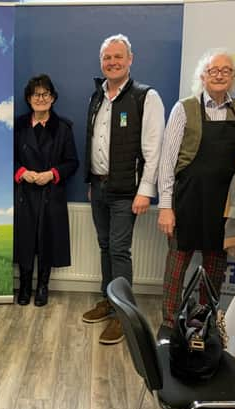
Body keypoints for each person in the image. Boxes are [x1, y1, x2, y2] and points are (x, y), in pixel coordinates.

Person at [81, 34, 165, 344]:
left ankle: (122, 314)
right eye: (107, 58)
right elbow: (94, 142)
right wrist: (92, 181)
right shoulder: (97, 97)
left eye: (118, 57)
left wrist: (145, 190)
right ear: (101, 62)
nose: (112, 62)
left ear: (130, 60)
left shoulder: (146, 97)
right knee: (105, 246)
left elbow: (153, 149)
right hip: (99, 187)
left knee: (119, 250)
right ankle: (109, 299)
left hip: (127, 191)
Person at [158, 48, 235, 331]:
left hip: (223, 205)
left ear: (233, 77)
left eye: (226, 70)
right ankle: (169, 324)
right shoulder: (185, 108)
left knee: (214, 269)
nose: (219, 75)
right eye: (213, 70)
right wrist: (166, 208)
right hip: (187, 200)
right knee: (177, 267)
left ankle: (203, 323)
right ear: (202, 76)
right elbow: (167, 164)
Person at [14, 74, 79, 306]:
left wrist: (52, 174)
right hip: (25, 194)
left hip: (52, 195)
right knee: (24, 240)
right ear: (29, 98)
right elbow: (5, 158)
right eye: (36, 94)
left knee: (47, 241)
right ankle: (23, 286)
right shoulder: (18, 126)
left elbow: (72, 163)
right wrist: (21, 172)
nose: (40, 98)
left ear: (52, 98)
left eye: (45, 94)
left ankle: (42, 286)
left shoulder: (63, 128)